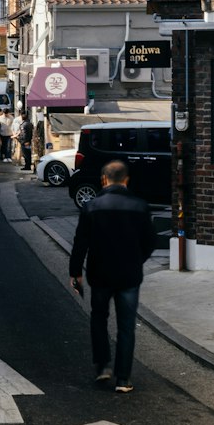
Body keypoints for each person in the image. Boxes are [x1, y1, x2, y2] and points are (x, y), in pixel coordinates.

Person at [68, 160, 156, 394]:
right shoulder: (140, 206)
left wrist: (75, 272)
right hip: (129, 275)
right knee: (126, 326)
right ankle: (123, 378)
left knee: (99, 318)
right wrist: (137, 261)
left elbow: (80, 242)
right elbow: (150, 242)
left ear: (104, 180)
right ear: (126, 180)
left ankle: (101, 366)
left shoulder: (91, 207)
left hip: (100, 273)